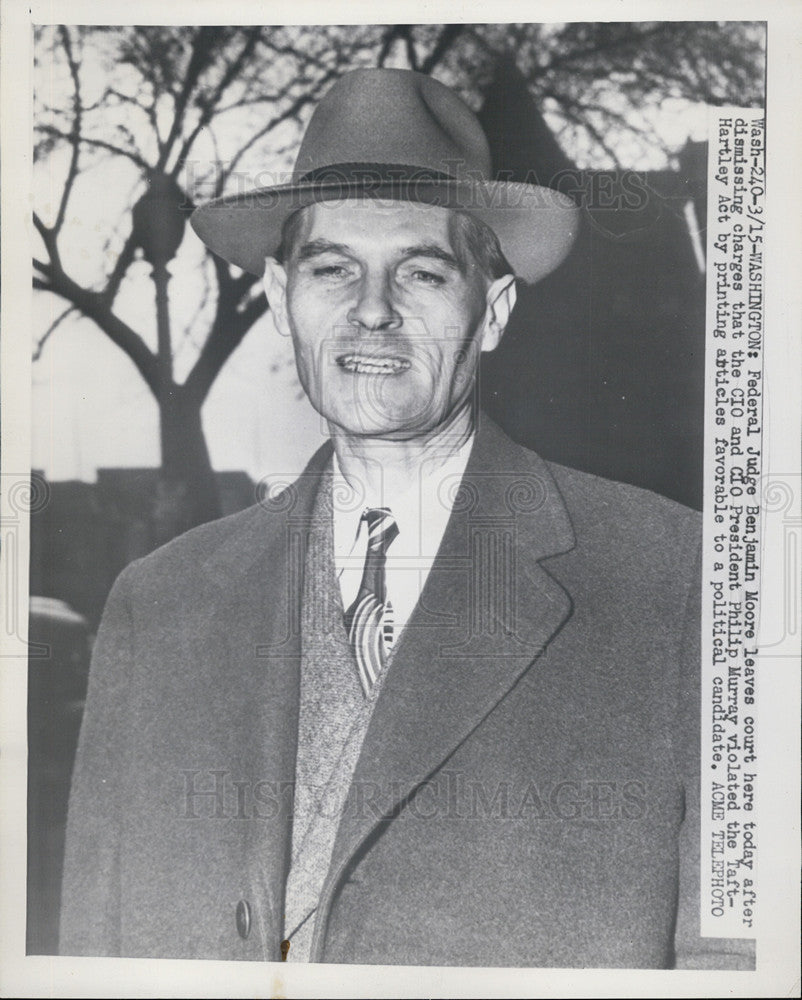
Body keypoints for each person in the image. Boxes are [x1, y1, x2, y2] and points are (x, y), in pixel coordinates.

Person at [60, 68, 754, 969]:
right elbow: (93, 957)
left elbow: (739, 961)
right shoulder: (155, 607)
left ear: (493, 311)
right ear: (280, 300)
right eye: (332, 269)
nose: (373, 311)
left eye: (422, 272)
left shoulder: (677, 583)